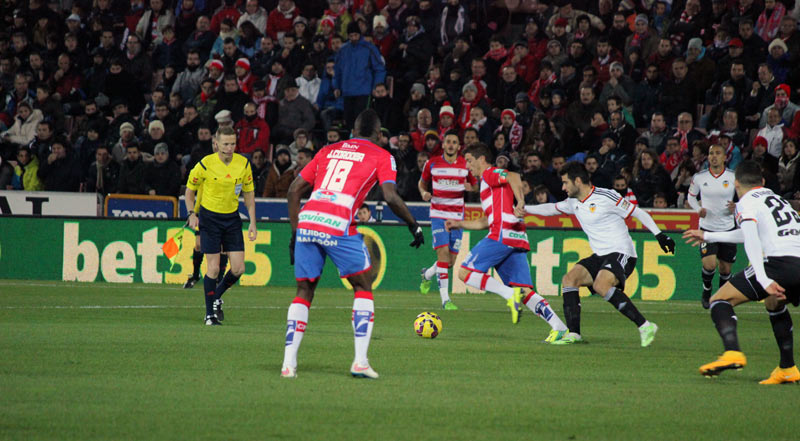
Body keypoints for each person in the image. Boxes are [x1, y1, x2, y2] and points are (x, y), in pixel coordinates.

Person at [282, 109, 424, 379]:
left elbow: (293, 190)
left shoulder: (327, 150)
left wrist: (294, 232)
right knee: (362, 284)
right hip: (338, 221)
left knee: (304, 290)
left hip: (309, 220)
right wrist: (413, 224)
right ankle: (360, 361)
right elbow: (391, 197)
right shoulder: (382, 155)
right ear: (380, 135)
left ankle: (288, 364)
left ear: (353, 132)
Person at [521, 162, 675, 346]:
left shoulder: (606, 196)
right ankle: (574, 334)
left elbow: (638, 213)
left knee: (601, 285)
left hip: (622, 253)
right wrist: (525, 209)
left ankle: (645, 326)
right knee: (569, 279)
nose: (562, 187)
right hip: (600, 255)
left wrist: (659, 235)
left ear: (577, 181)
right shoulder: (573, 202)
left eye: (565, 182)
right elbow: (551, 209)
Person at [683, 161, 800, 384]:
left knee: (720, 300)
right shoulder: (779, 200)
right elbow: (748, 233)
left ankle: (732, 352)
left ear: (736, 184)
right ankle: (788, 368)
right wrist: (708, 236)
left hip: (779, 263)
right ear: (763, 181)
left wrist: (764, 279)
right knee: (773, 303)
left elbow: (752, 240)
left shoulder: (746, 202)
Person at [445, 143, 569, 342]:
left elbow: (514, 176)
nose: (467, 166)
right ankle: (559, 326)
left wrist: (521, 201)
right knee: (526, 291)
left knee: (465, 273)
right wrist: (459, 223)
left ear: (481, 159)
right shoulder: (489, 187)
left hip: (502, 233)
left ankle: (508, 294)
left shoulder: (489, 173)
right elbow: (486, 221)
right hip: (516, 235)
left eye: (469, 160)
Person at [185, 126, 257, 325]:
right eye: (225, 144)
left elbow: (249, 194)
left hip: (232, 219)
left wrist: (252, 221)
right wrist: (192, 214)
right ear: (216, 143)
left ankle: (216, 295)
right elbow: (189, 191)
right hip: (209, 219)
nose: (230, 147)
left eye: (233, 143)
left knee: (239, 268)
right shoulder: (205, 164)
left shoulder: (243, 164)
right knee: (214, 268)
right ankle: (210, 315)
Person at [418, 131, 476, 310]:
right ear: (443, 145)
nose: (451, 145)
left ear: (459, 146)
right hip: (438, 215)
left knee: (449, 262)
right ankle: (445, 300)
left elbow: (475, 185)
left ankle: (426, 275)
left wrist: (471, 187)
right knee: (442, 255)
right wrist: (424, 193)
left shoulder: (465, 165)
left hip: (458, 218)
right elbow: (422, 183)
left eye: (454, 142)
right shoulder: (432, 163)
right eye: (448, 142)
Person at [687, 144, 737, 309]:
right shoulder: (700, 177)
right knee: (709, 265)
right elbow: (691, 197)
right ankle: (707, 289)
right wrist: (698, 209)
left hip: (728, 229)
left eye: (717, 153)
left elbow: (744, 197)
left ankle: (721, 297)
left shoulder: (733, 177)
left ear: (724, 157)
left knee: (725, 269)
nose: (714, 156)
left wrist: (737, 206)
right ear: (707, 157)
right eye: (711, 153)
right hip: (706, 228)